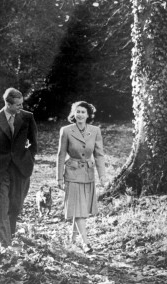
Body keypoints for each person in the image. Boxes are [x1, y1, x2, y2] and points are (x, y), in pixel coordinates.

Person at [0, 87, 38, 250]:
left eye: (21, 104)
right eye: (18, 105)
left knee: (16, 206)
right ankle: (6, 245)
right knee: (1, 206)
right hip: (0, 168)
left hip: (21, 169)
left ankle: (8, 235)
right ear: (8, 104)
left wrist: (29, 158)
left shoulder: (27, 118)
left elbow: (33, 142)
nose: (21, 107)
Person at [56, 101, 107, 253]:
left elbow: (99, 154)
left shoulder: (95, 130)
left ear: (88, 115)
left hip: (88, 174)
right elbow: (61, 155)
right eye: (77, 111)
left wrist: (102, 176)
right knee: (79, 209)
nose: (80, 115)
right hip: (72, 173)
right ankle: (85, 243)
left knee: (80, 208)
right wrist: (59, 178)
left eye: (83, 112)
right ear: (73, 114)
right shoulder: (66, 131)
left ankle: (72, 239)